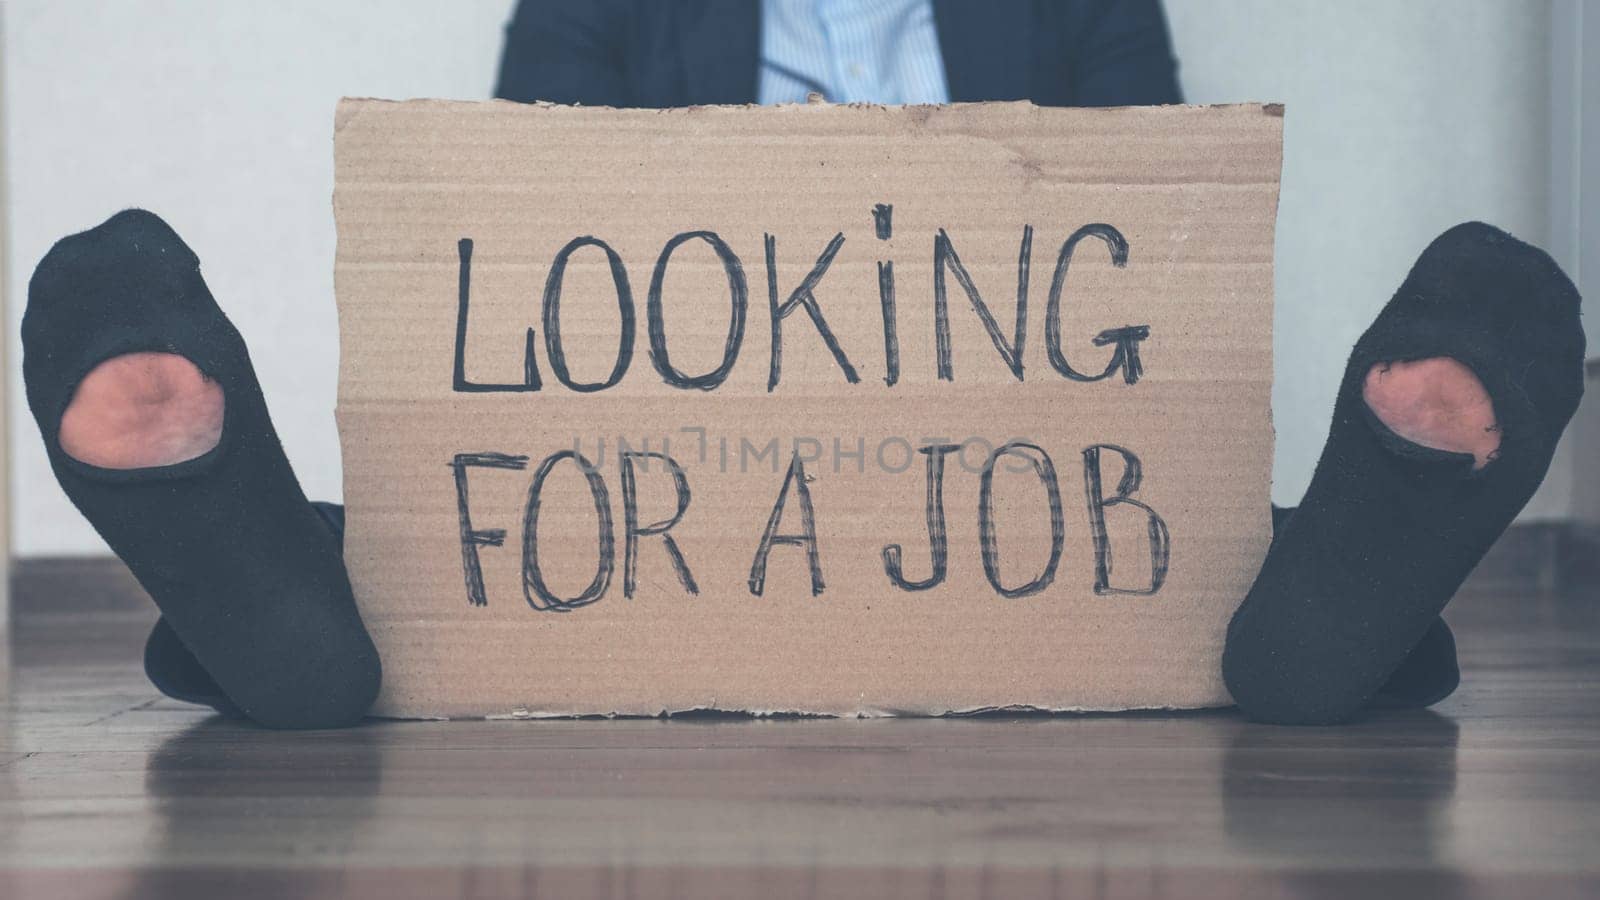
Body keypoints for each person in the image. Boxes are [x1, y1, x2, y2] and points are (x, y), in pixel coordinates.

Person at [20, 0, 1585, 729]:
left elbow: (1151, 217)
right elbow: (520, 220)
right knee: (451, 562)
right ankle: (252, 568)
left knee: (1202, 578)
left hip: (1002, 481)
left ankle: (1341, 578)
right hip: (665, 489)